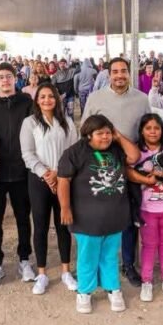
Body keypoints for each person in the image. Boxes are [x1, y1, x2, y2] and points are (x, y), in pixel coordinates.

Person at [57, 114, 139, 314]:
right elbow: (63, 180)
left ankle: (113, 289)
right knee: (88, 256)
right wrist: (65, 208)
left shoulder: (116, 149)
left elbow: (134, 157)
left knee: (110, 255)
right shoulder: (74, 153)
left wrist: (118, 137)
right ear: (88, 135)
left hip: (115, 216)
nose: (105, 137)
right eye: (100, 133)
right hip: (86, 219)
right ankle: (84, 292)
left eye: (108, 133)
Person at [82, 57, 150, 287]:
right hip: (101, 166)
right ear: (108, 74)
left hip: (131, 165)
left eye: (123, 71)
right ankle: (100, 263)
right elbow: (85, 130)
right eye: (115, 71)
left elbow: (146, 131)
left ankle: (129, 264)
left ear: (129, 73)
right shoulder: (96, 98)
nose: (119, 75)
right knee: (101, 215)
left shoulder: (141, 99)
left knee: (130, 217)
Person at [20, 84, 78, 295]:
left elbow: (73, 151)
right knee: (41, 225)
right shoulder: (30, 122)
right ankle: (42, 273)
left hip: (63, 178)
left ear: (57, 99)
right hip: (38, 180)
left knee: (63, 224)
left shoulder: (67, 122)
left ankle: (65, 270)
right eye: (42, 97)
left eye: (50, 96)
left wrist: (58, 173)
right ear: (37, 100)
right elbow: (27, 153)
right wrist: (46, 173)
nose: (47, 100)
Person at [0, 63, 35, 287]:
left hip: (22, 171)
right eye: (1, 77)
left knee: (23, 218)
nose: (5, 81)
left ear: (15, 79)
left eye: (9, 77)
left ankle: (24, 259)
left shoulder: (26, 102)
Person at [127, 114, 163, 302]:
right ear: (142, 130)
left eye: (156, 128)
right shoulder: (137, 150)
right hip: (147, 207)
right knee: (149, 244)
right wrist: (146, 176)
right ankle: (147, 281)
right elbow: (130, 172)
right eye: (148, 128)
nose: (152, 132)